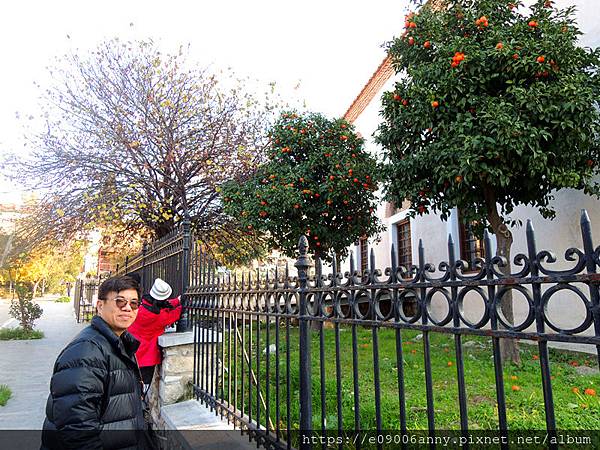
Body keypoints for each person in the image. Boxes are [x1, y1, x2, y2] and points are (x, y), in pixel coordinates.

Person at [41, 275, 148, 450]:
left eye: (134, 303)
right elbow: (76, 427)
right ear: (100, 305)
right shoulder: (87, 352)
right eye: (120, 302)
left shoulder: (119, 344)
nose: (128, 308)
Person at [128, 278, 182, 386]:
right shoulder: (158, 317)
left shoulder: (142, 305)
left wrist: (177, 300)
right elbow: (175, 313)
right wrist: (182, 303)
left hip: (131, 352)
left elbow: (164, 305)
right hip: (146, 358)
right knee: (143, 386)